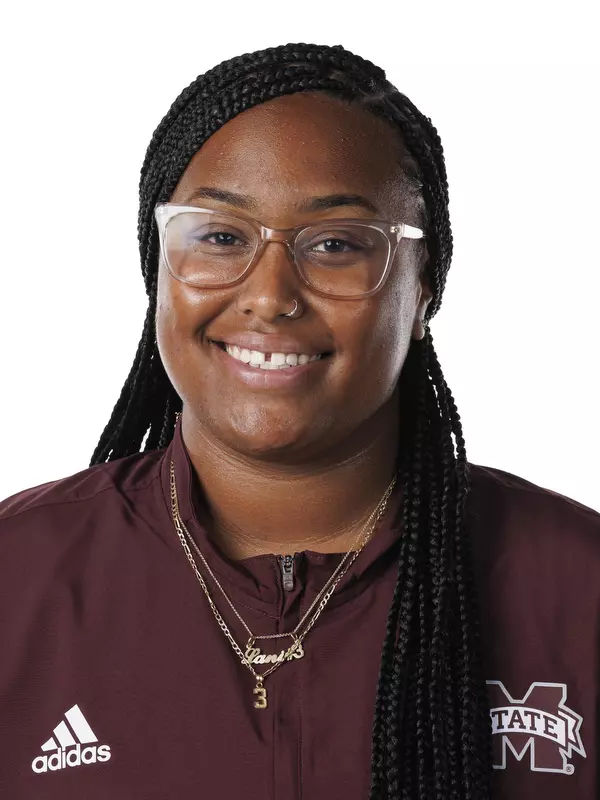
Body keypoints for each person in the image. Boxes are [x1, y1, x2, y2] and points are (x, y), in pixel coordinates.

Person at [0, 42, 597, 800]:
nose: (271, 294)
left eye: (337, 244)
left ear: (426, 290)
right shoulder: (15, 581)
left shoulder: (578, 588)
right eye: (219, 236)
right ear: (157, 269)